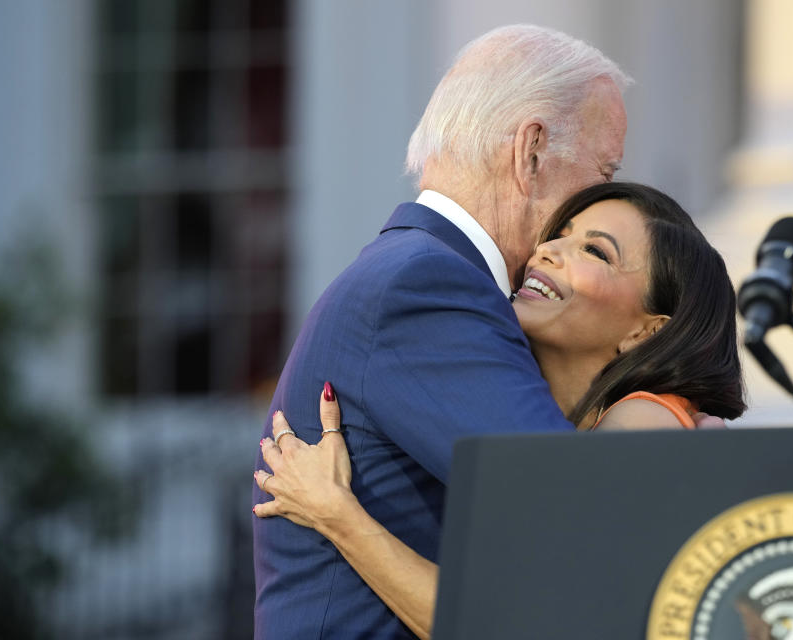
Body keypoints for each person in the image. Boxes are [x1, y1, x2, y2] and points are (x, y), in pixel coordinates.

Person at [252, 24, 716, 639]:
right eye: (602, 169)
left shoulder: (424, 275)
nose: (598, 196)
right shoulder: (426, 285)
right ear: (531, 151)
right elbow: (568, 507)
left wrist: (341, 516)